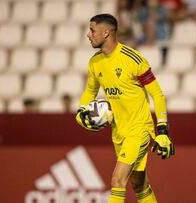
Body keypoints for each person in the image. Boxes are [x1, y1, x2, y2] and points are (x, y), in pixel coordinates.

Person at [75, 14, 175, 203]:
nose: (88, 35)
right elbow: (90, 91)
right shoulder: (95, 62)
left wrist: (162, 130)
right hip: (119, 131)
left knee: (118, 179)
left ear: (106, 32)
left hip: (139, 130)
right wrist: (81, 110)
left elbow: (157, 94)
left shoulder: (133, 59)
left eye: (92, 30)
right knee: (139, 183)